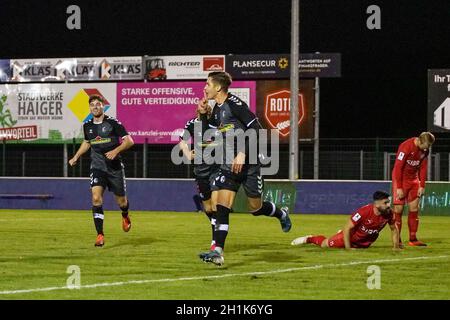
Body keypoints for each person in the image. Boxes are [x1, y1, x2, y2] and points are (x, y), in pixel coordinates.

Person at [197, 71, 292, 266]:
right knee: (221, 207)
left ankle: (281, 213)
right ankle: (217, 251)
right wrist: (203, 114)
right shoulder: (217, 108)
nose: (205, 87)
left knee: (255, 209)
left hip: (249, 165)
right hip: (228, 165)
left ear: (218, 87)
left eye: (207, 84)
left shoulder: (235, 105)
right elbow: (208, 132)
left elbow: (256, 128)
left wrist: (242, 153)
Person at [69, 94, 134, 247]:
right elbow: (87, 142)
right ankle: (100, 235)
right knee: (96, 198)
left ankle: (125, 214)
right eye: (92, 105)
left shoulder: (113, 123)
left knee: (122, 201)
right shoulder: (87, 125)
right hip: (97, 167)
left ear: (103, 106)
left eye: (98, 104)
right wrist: (76, 156)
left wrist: (116, 151)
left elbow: (129, 141)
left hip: (115, 167)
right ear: (89, 108)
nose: (95, 107)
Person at [291, 191, 400, 250]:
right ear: (376, 204)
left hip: (363, 243)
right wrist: (348, 248)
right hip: (350, 239)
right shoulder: (363, 212)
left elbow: (394, 229)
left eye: (388, 202)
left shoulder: (389, 213)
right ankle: (309, 239)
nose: (388, 205)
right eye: (385, 203)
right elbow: (347, 227)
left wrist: (396, 247)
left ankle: (342, 235)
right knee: (325, 245)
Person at [178, 105, 219, 251]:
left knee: (215, 205)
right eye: (203, 109)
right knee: (208, 208)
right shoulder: (192, 124)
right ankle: (217, 224)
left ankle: (215, 240)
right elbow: (182, 140)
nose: (206, 111)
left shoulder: (217, 122)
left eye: (208, 110)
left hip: (217, 169)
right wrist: (188, 154)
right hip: (201, 171)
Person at [391, 131, 435, 247]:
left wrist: (422, 185)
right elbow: (397, 168)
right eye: (426, 146)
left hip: (414, 180)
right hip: (401, 180)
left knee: (414, 208)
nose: (427, 149)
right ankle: (398, 240)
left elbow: (423, 167)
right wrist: (399, 187)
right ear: (420, 141)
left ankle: (413, 239)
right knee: (398, 209)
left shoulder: (425, 150)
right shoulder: (406, 146)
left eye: (429, 146)